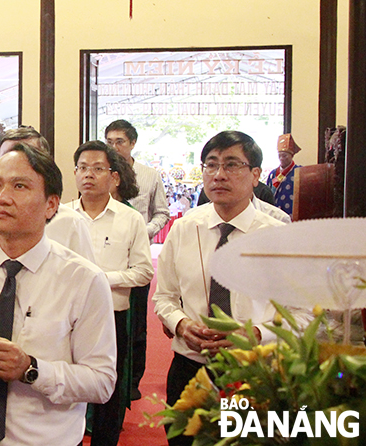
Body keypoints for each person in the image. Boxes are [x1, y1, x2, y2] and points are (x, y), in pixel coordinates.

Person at [0, 144, 117, 446]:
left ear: (51, 205)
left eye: (19, 186)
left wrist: (30, 369)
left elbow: (101, 382)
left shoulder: (84, 279)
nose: (1, 198)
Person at [152, 130, 285, 446]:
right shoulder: (185, 228)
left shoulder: (278, 234)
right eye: (210, 165)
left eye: (231, 164)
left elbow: (301, 314)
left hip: (254, 371)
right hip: (189, 368)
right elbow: (164, 297)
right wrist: (180, 324)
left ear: (255, 175)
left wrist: (254, 335)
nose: (219, 175)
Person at [67, 141, 153, 446]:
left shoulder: (130, 219)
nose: (89, 175)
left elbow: (143, 271)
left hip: (112, 317)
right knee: (68, 384)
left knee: (109, 390)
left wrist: (101, 279)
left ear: (114, 177)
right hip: (66, 318)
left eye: (98, 168)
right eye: (83, 168)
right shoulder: (61, 217)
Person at [105, 119, 168, 399]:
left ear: (132, 143)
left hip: (138, 258)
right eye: (109, 141)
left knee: (137, 326)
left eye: (119, 141)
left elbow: (162, 213)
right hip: (108, 258)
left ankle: (132, 383)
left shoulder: (149, 175)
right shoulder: (101, 172)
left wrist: (146, 230)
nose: (114, 147)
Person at [0, 127, 95, 262]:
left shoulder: (71, 222)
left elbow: (83, 275)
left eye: (28, 155)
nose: (16, 162)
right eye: (9, 156)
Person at [266, 133, 302, 216]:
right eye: (280, 156)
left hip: (292, 215)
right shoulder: (273, 174)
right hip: (274, 215)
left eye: (285, 156)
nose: (282, 158)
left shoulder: (299, 172)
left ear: (291, 156)